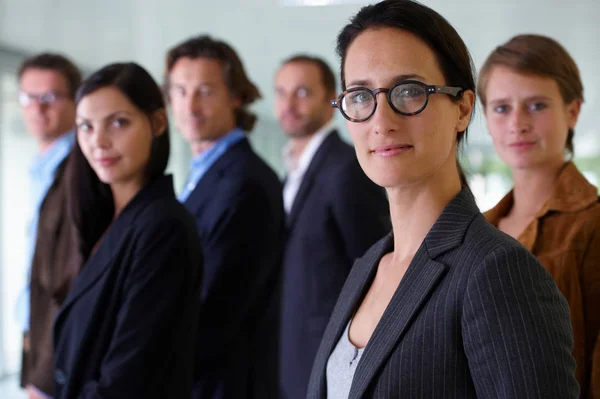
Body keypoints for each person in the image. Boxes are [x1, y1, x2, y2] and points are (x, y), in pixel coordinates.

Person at [306, 1, 579, 398]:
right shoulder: (369, 265)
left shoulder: (496, 272)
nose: (382, 121)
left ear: (463, 109)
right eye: (362, 96)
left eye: (409, 91)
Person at [52, 62, 203, 399]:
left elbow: (129, 375)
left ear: (158, 123)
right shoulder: (109, 220)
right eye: (86, 127)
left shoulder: (164, 226)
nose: (99, 141)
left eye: (118, 123)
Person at [480, 34, 600, 398]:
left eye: (536, 106)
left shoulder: (592, 225)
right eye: (501, 108)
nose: (517, 123)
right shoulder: (479, 229)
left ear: (573, 111)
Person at [164, 35, 284, 399]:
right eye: (180, 91)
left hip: (224, 384)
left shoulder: (245, 182)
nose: (190, 105)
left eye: (205, 91)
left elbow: (216, 310)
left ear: (236, 96)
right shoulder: (206, 171)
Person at [274, 54, 389, 399]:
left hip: (331, 356)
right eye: (281, 92)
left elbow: (372, 266)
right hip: (293, 353)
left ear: (332, 100)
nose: (289, 104)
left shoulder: (345, 169)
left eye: (303, 92)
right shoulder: (292, 171)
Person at [15, 53, 81, 399]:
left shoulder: (80, 173)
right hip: (36, 329)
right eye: (29, 97)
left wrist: (45, 373)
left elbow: (70, 279)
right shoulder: (40, 168)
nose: (37, 109)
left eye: (50, 97)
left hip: (57, 345)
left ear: (74, 101)